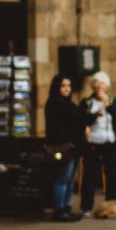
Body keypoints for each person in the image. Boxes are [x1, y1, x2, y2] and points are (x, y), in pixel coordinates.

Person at [78, 72, 116, 214]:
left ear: (107, 86)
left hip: (110, 142)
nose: (100, 87)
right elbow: (82, 121)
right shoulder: (87, 102)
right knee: (90, 175)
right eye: (97, 84)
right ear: (93, 86)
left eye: (102, 84)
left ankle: (111, 205)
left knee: (111, 175)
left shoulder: (111, 99)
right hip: (93, 142)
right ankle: (86, 207)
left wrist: (108, 103)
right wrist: (94, 115)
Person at [43, 74, 85, 221]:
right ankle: (59, 210)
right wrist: (70, 139)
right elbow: (57, 128)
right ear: (57, 87)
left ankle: (67, 207)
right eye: (63, 86)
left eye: (68, 86)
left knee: (70, 179)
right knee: (62, 178)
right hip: (62, 146)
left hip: (73, 146)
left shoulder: (69, 103)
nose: (67, 89)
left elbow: (81, 119)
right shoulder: (54, 103)